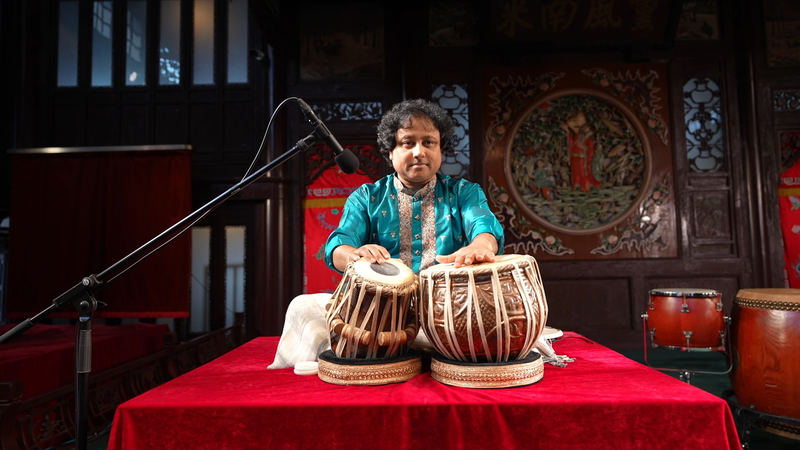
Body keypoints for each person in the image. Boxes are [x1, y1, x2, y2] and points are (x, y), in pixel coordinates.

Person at [268, 98, 505, 369]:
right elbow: (338, 245)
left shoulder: (464, 193)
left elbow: (484, 227)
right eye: (407, 143)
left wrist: (480, 246)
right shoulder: (367, 198)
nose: (419, 152)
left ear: (441, 150)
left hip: (449, 310)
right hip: (378, 315)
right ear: (390, 151)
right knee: (303, 306)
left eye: (429, 142)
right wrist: (354, 255)